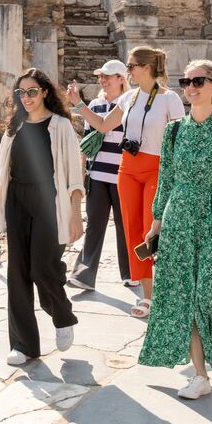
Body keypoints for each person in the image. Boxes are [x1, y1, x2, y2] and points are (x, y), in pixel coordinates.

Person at [138, 60, 212, 400]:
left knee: (210, 293)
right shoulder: (174, 131)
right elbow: (166, 180)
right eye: (186, 81)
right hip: (178, 220)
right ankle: (200, 374)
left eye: (199, 81)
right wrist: (156, 223)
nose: (191, 87)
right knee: (185, 297)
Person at [69, 46, 185, 318]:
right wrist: (78, 105)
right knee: (133, 232)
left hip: (157, 168)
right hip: (128, 169)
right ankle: (148, 296)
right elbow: (103, 125)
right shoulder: (129, 98)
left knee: (151, 230)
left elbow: (181, 140)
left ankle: (169, 288)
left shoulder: (170, 99)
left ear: (147, 68)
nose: (128, 71)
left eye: (131, 66)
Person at [0, 68, 84, 366]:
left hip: (49, 200)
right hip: (17, 200)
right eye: (21, 92)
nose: (26, 97)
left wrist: (76, 215)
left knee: (43, 269)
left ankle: (62, 315)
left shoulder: (60, 126)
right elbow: (2, 176)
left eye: (32, 91)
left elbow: (73, 175)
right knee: (17, 273)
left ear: (44, 92)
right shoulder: (13, 128)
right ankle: (23, 344)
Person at [68, 59, 132, 290]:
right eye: (101, 76)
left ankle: (131, 273)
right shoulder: (94, 104)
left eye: (107, 76)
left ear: (121, 79)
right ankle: (83, 275)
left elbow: (106, 127)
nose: (102, 80)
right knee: (95, 224)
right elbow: (87, 142)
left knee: (125, 225)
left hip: (123, 175)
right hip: (97, 175)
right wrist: (82, 174)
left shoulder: (129, 103)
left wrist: (77, 105)